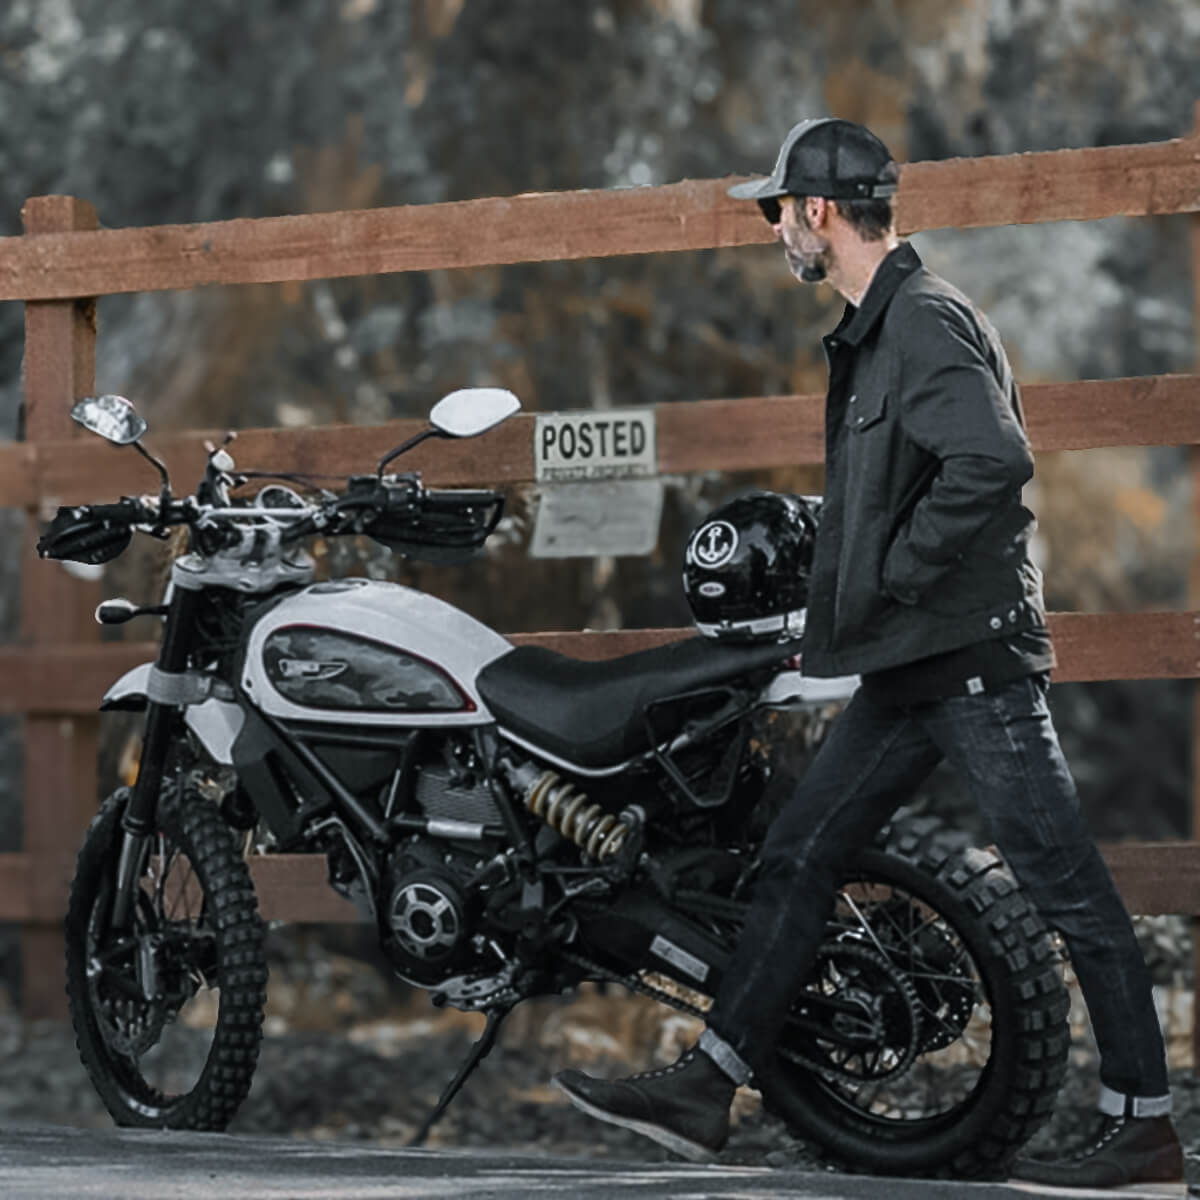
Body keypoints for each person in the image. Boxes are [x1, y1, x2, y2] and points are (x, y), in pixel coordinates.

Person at [553, 117, 1183, 1189]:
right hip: (908, 665)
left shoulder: (924, 322)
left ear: (820, 212)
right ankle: (711, 1083)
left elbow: (992, 463)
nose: (774, 233)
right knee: (800, 854)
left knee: (1065, 886)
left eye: (778, 213)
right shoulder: (876, 328)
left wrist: (891, 573)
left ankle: (1146, 1126)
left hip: (969, 657)